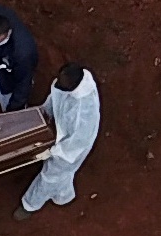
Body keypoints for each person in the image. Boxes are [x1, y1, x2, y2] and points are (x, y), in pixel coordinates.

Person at [17, 63, 100, 218]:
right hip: (61, 131)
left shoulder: (83, 111)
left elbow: (77, 143)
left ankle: (30, 205)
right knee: (63, 176)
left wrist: (53, 151)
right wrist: (41, 115)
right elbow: (55, 99)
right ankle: (64, 196)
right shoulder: (66, 85)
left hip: (70, 151)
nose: (58, 84)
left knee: (51, 175)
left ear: (73, 88)